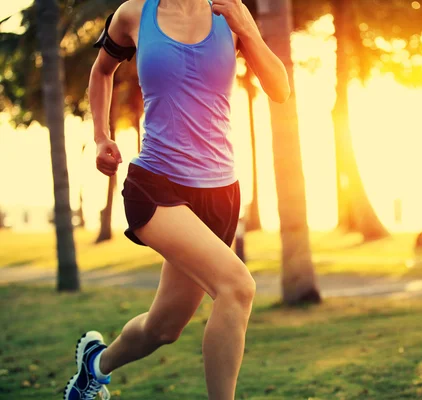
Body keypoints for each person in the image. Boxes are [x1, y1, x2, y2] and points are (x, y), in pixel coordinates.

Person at [63, 0, 290, 398]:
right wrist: (101, 136)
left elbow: (280, 89)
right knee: (238, 287)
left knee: (163, 328)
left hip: (220, 195)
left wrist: (249, 31)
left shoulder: (231, 13)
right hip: (157, 184)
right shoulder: (134, 14)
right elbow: (102, 71)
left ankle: (95, 365)